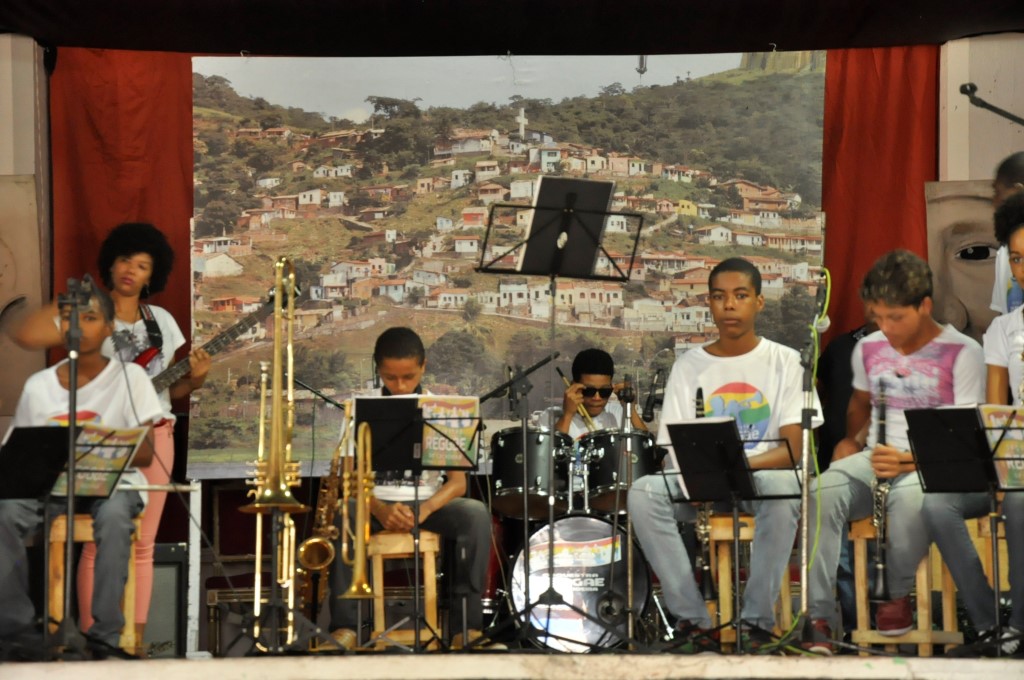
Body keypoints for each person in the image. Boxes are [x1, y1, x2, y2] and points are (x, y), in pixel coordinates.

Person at [11, 222, 210, 652]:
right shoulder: (88, 316)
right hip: (97, 434)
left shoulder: (162, 322)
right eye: (124, 260)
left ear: (152, 275)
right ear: (110, 264)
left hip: (155, 433)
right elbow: (38, 346)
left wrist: (195, 382)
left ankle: (132, 642)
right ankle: (91, 640)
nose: (130, 270)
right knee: (97, 543)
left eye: (142, 265)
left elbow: (169, 389)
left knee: (144, 543)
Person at [628, 257, 819, 652]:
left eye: (740, 295)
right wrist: (700, 476)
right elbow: (675, 446)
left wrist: (732, 466)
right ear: (709, 303)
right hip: (703, 479)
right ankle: (692, 620)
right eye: (719, 296)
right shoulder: (688, 366)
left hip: (763, 476)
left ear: (759, 302)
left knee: (784, 489)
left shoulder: (787, 362)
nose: (729, 305)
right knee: (644, 493)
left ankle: (757, 622)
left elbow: (792, 451)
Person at [805, 250, 985, 654]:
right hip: (876, 456)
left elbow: (965, 442)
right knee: (819, 493)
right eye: (877, 317)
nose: (884, 328)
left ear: (925, 306)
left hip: (934, 467)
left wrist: (905, 461)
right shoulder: (869, 347)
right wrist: (852, 440)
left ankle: (895, 595)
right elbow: (860, 404)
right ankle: (819, 618)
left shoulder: (963, 352)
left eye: (895, 318)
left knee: (909, 498)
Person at [0, 285, 163, 659]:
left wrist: (85, 443)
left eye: (90, 318)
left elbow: (144, 453)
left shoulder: (131, 378)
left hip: (114, 486)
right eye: (70, 318)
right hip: (50, 488)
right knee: (5, 512)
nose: (79, 327)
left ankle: (104, 636)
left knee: (116, 516)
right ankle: (15, 631)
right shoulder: (39, 385)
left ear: (108, 327)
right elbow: (18, 454)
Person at [328, 327, 497, 650]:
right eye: (390, 378)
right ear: (377, 369)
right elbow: (349, 481)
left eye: (409, 376)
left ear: (423, 366)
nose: (401, 385)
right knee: (345, 511)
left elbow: (458, 483)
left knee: (475, 513)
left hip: (430, 505)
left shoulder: (443, 408)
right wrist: (380, 508)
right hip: (375, 505)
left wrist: (425, 509)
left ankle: (466, 628)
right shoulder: (358, 409)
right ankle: (344, 627)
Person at [925, 194, 1024, 657]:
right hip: (1013, 463)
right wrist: (999, 463)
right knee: (937, 504)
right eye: (1016, 258)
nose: (1023, 268)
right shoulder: (1004, 331)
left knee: (1020, 501)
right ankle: (989, 626)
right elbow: (994, 412)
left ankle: (1018, 628)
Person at [553, 348, 647, 439]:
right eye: (589, 391)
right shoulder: (552, 416)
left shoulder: (620, 413)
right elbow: (554, 448)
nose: (597, 397)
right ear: (573, 386)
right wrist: (567, 415)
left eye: (604, 391)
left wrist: (631, 410)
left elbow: (647, 445)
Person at [989, 151, 1024, 315]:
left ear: (1018, 191)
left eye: (998, 192)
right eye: (1016, 260)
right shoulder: (1005, 251)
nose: (994, 202)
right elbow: (1003, 314)